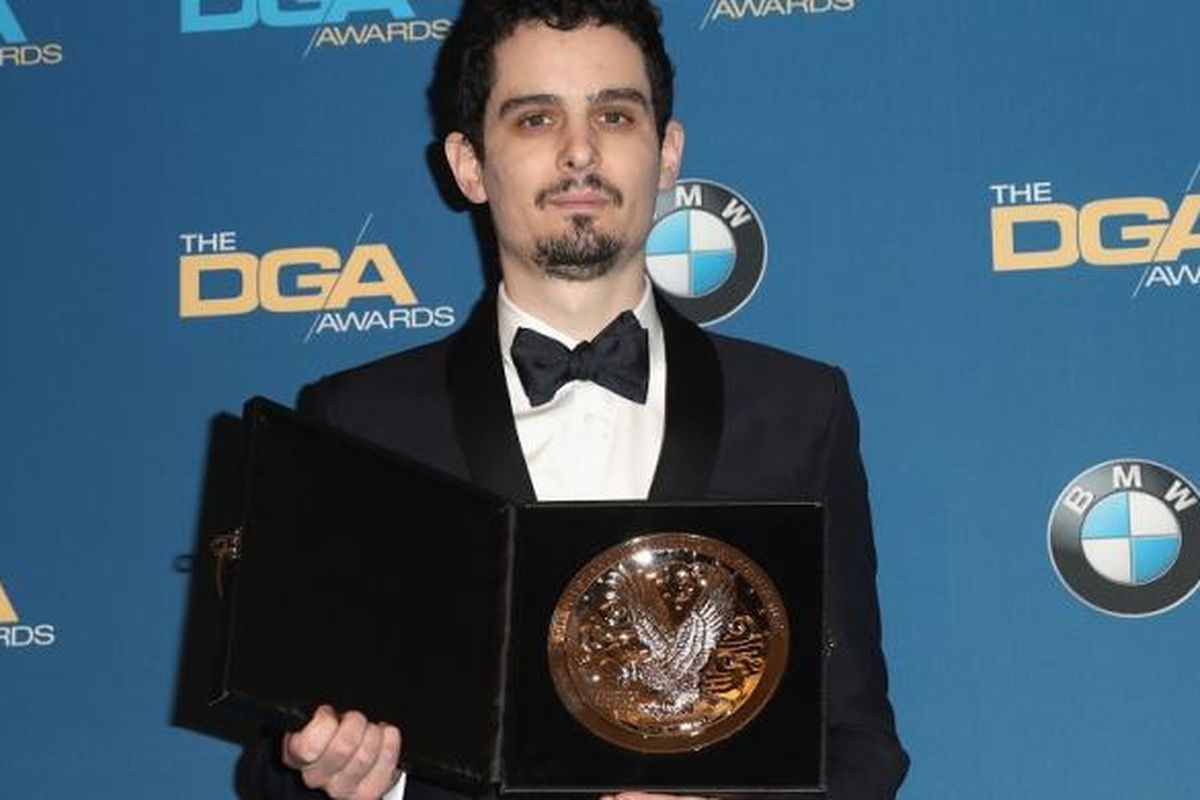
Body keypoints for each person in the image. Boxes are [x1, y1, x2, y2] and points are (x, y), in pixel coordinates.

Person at [247, 1, 908, 798]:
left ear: (666, 152)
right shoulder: (358, 423)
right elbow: (277, 763)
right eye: (534, 120)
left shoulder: (801, 412)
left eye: (615, 114)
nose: (580, 152)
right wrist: (358, 782)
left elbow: (859, 745)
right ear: (467, 163)